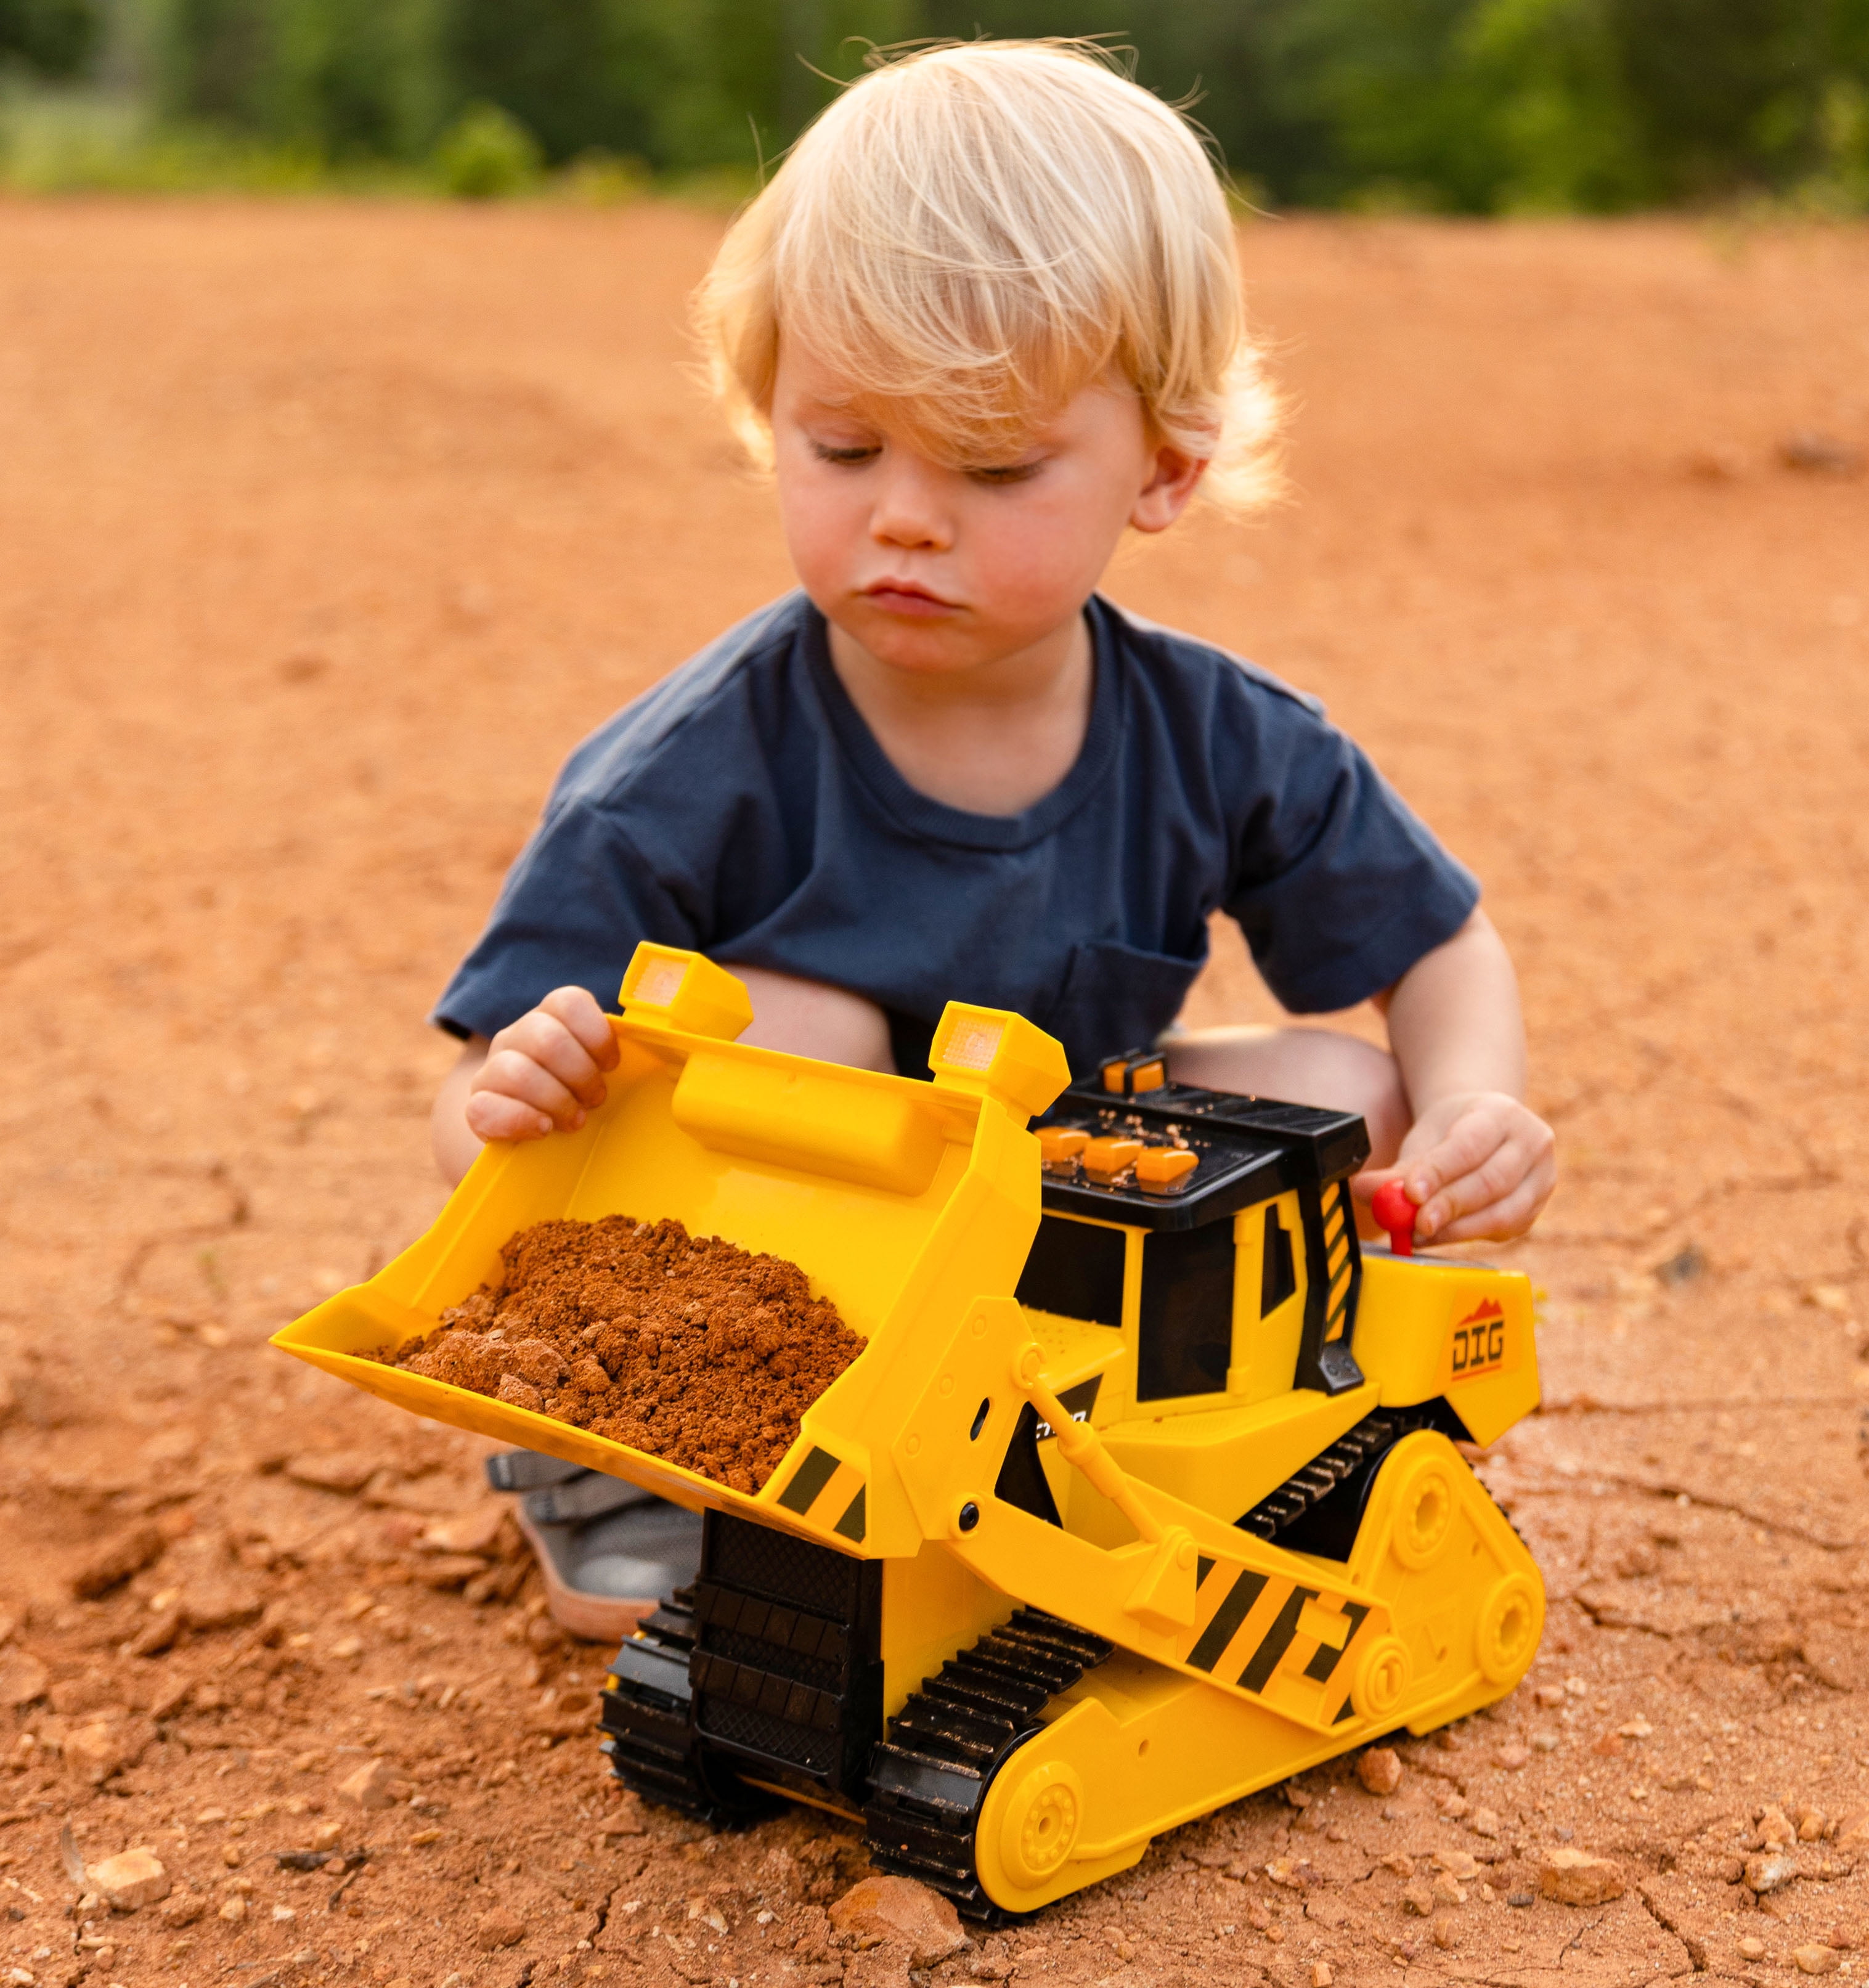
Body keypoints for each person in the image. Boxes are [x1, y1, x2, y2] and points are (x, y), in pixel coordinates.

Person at [427, 40, 1555, 1626]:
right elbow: (472, 1098)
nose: (902, 514)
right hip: (779, 1270)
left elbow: (1433, 948)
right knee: (802, 1026)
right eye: (841, 447)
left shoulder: (1222, 736)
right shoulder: (684, 769)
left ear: (1162, 468)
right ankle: (620, 1468)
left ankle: (1149, 1419)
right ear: (769, 413)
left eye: (993, 463)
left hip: (1049, 1199)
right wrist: (531, 1095)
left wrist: (1472, 1108)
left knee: (1347, 1096)